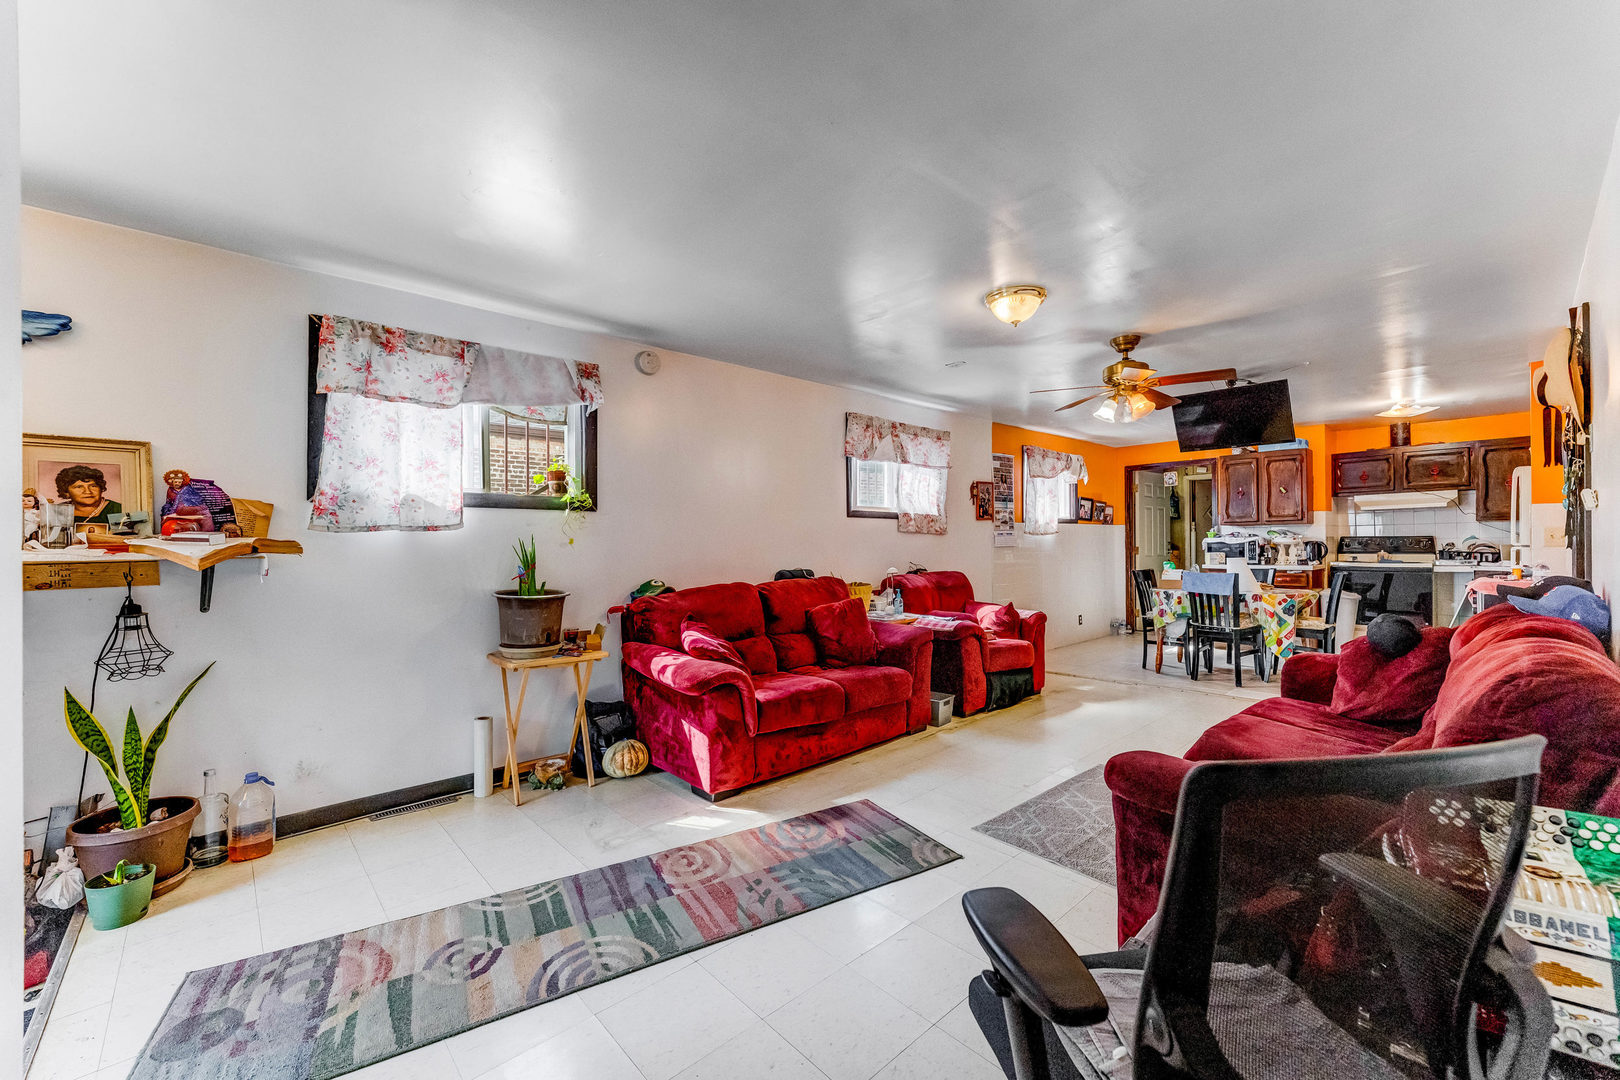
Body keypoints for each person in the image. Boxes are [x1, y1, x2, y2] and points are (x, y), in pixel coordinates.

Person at [53, 465, 122, 524]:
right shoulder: (57, 511)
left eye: (93, 486)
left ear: (101, 488)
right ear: (66, 492)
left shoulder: (116, 509)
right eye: (79, 487)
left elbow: (124, 535)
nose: (88, 491)